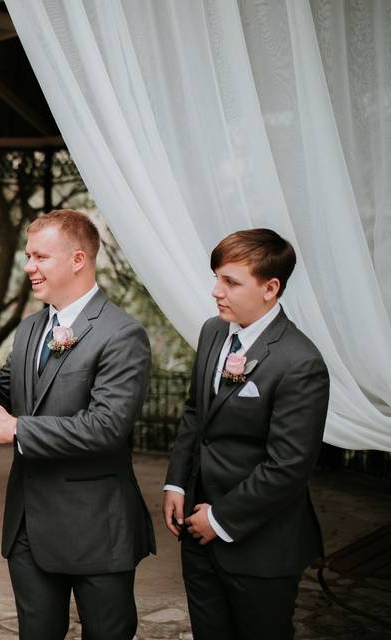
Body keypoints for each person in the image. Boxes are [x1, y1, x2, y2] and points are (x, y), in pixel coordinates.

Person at [0, 209, 155, 640]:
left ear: (78, 260)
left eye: (40, 257)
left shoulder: (122, 334)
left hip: (97, 527)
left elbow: (107, 426)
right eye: (29, 256)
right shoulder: (30, 329)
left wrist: (17, 431)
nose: (29, 266)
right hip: (28, 525)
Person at [162, 228, 328, 640]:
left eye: (230, 281)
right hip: (197, 534)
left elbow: (289, 466)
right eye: (217, 277)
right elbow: (195, 413)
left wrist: (219, 519)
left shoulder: (300, 362)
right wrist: (176, 483)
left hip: (261, 546)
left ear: (270, 288)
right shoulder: (213, 331)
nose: (216, 290)